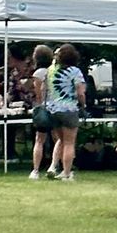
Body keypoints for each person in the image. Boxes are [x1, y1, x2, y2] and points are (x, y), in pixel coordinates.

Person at [45, 43, 87, 181]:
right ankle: (67, 173)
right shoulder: (75, 71)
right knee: (69, 142)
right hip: (69, 109)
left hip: (53, 109)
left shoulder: (51, 70)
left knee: (60, 140)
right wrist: (83, 105)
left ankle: (53, 166)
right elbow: (80, 92)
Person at [28, 45, 57, 179]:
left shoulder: (38, 73)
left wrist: (39, 105)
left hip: (44, 107)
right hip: (56, 107)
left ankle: (35, 170)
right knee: (58, 139)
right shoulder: (55, 71)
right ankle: (55, 166)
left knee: (39, 140)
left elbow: (38, 93)